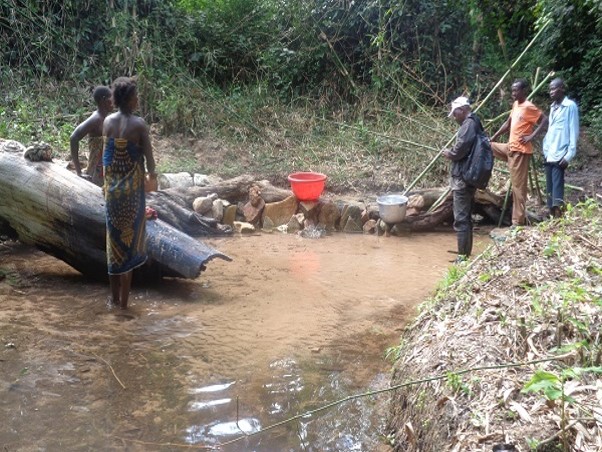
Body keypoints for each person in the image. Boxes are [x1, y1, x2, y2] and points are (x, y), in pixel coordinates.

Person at [103, 76, 157, 309]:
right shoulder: (139, 125)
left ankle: (113, 300)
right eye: (136, 96)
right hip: (133, 196)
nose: (138, 99)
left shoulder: (107, 123)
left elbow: (106, 160)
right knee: (131, 247)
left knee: (113, 246)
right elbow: (151, 162)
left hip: (112, 195)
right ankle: (124, 306)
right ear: (129, 99)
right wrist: (152, 177)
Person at [490, 79, 548, 226]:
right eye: (512, 90)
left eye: (516, 90)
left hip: (520, 152)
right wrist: (494, 137)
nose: (513, 93)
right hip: (510, 148)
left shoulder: (529, 107)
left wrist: (531, 136)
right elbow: (508, 123)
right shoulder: (516, 105)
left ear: (524, 91)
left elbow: (544, 120)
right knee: (487, 146)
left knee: (518, 187)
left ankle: (518, 222)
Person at [442, 96, 481, 262]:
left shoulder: (468, 125)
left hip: (463, 178)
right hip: (469, 176)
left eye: (455, 113)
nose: (454, 117)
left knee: (461, 219)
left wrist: (449, 154)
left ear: (463, 110)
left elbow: (459, 151)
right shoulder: (474, 122)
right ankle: (465, 253)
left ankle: (462, 258)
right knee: (465, 218)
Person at [542, 78, 579, 217]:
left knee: (557, 187)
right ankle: (551, 216)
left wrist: (569, 155)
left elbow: (573, 130)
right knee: (550, 188)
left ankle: (559, 216)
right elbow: (551, 130)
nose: (551, 92)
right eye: (550, 89)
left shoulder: (570, 106)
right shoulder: (553, 107)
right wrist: (545, 149)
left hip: (561, 152)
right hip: (550, 151)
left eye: (554, 89)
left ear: (562, 88)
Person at [70, 86, 113, 186]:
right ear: (104, 100)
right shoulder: (96, 119)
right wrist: (79, 172)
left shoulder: (104, 118)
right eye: (112, 99)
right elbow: (74, 138)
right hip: (95, 175)